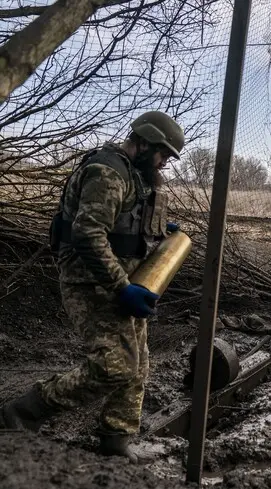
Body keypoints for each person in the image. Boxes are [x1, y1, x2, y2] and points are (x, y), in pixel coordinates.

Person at [0, 111, 185, 462]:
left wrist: (157, 230)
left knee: (139, 363)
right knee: (116, 365)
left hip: (125, 279)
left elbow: (121, 225)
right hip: (91, 279)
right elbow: (88, 233)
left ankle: (116, 439)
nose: (163, 163)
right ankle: (22, 412)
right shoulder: (107, 171)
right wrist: (121, 288)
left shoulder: (135, 175)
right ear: (144, 142)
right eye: (162, 154)